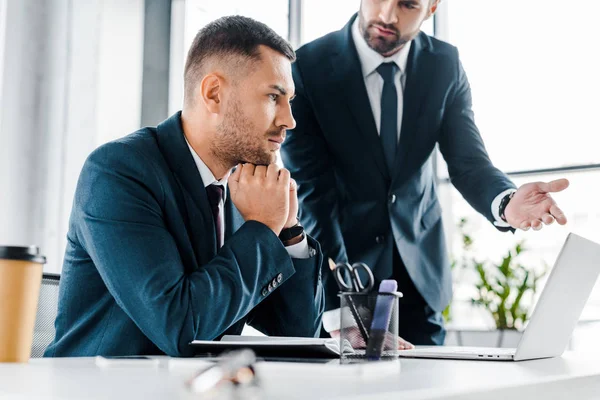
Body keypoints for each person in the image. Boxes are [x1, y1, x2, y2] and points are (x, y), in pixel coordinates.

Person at [281, 0, 568, 345]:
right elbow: (312, 194)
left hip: (418, 278)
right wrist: (342, 304)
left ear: (431, 8)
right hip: (344, 275)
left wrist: (505, 202)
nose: (387, 15)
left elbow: (468, 162)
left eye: (407, 4)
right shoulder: (307, 68)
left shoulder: (443, 65)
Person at [45, 16, 324, 358]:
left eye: (289, 100)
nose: (289, 120)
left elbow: (297, 334)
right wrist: (263, 227)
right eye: (273, 97)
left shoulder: (245, 193)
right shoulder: (117, 173)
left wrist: (289, 230)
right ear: (214, 94)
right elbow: (178, 327)